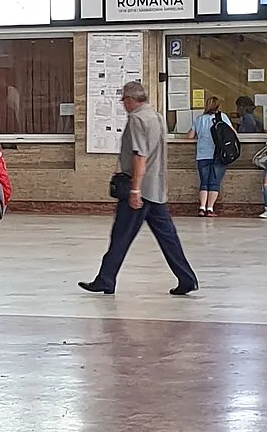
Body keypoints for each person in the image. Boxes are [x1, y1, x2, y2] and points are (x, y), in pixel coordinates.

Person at [80, 79, 198, 298]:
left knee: (121, 235)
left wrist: (135, 190)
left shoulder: (136, 119)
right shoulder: (156, 116)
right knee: (168, 237)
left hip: (140, 190)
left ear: (131, 99)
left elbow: (139, 155)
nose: (123, 105)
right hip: (156, 188)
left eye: (124, 100)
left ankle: (105, 280)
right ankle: (187, 278)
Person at [194, 95, 240, 215]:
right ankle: (210, 209)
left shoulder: (199, 119)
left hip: (202, 155)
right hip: (219, 154)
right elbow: (233, 133)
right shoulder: (222, 117)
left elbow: (190, 135)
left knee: (204, 182)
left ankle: (202, 207)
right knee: (214, 182)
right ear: (218, 106)